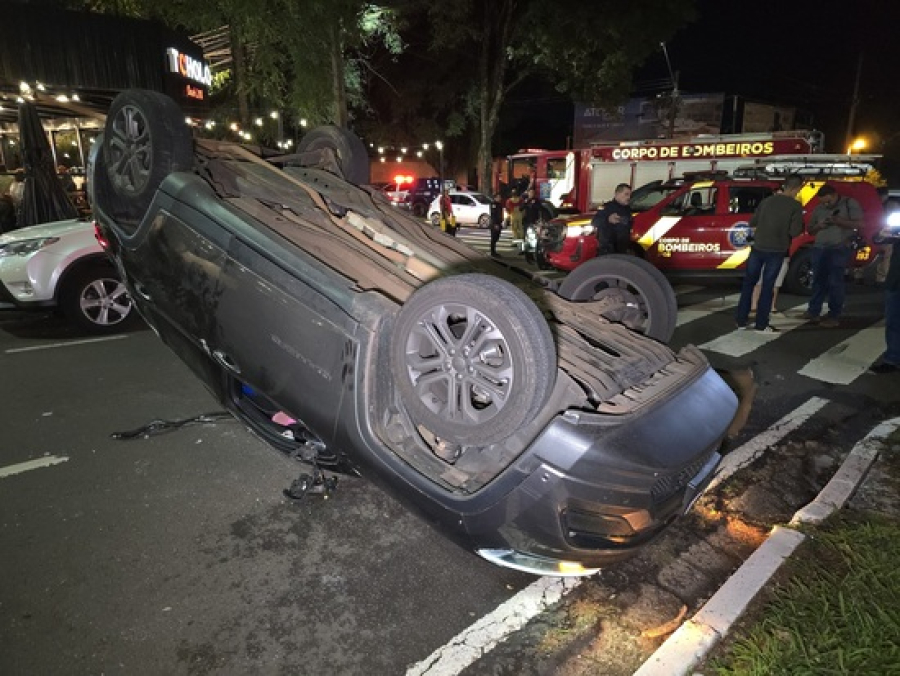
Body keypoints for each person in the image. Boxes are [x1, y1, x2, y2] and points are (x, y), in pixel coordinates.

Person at [735, 174, 804, 333]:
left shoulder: (767, 201)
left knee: (749, 284)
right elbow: (794, 232)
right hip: (777, 250)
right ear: (796, 188)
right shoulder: (795, 206)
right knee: (768, 287)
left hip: (758, 248)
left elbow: (753, 223)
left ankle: (741, 321)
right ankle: (761, 324)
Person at [802, 184, 863, 328]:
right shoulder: (819, 208)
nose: (825, 204)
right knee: (818, 280)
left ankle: (834, 315)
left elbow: (861, 224)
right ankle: (813, 311)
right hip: (820, 247)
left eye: (828, 201)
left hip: (839, 247)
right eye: (823, 202)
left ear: (835, 195)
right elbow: (810, 230)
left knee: (835, 282)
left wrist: (839, 221)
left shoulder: (849, 203)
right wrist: (819, 226)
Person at [869, 224, 900, 374]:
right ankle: (892, 359)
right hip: (896, 279)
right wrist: (882, 234)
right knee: (893, 321)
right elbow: (877, 239)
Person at [592, 183, 633, 255]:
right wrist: (608, 219)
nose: (628, 197)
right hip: (607, 250)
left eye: (630, 195)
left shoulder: (628, 210)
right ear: (617, 194)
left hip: (622, 249)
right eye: (626, 194)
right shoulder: (607, 207)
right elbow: (595, 221)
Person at [489, 193, 504, 257]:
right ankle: (493, 252)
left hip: (499, 223)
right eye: (498, 197)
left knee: (497, 237)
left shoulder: (499, 204)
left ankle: (494, 252)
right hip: (495, 223)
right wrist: (495, 224)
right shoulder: (493, 204)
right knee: (494, 238)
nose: (499, 198)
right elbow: (493, 215)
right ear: (495, 198)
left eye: (500, 197)